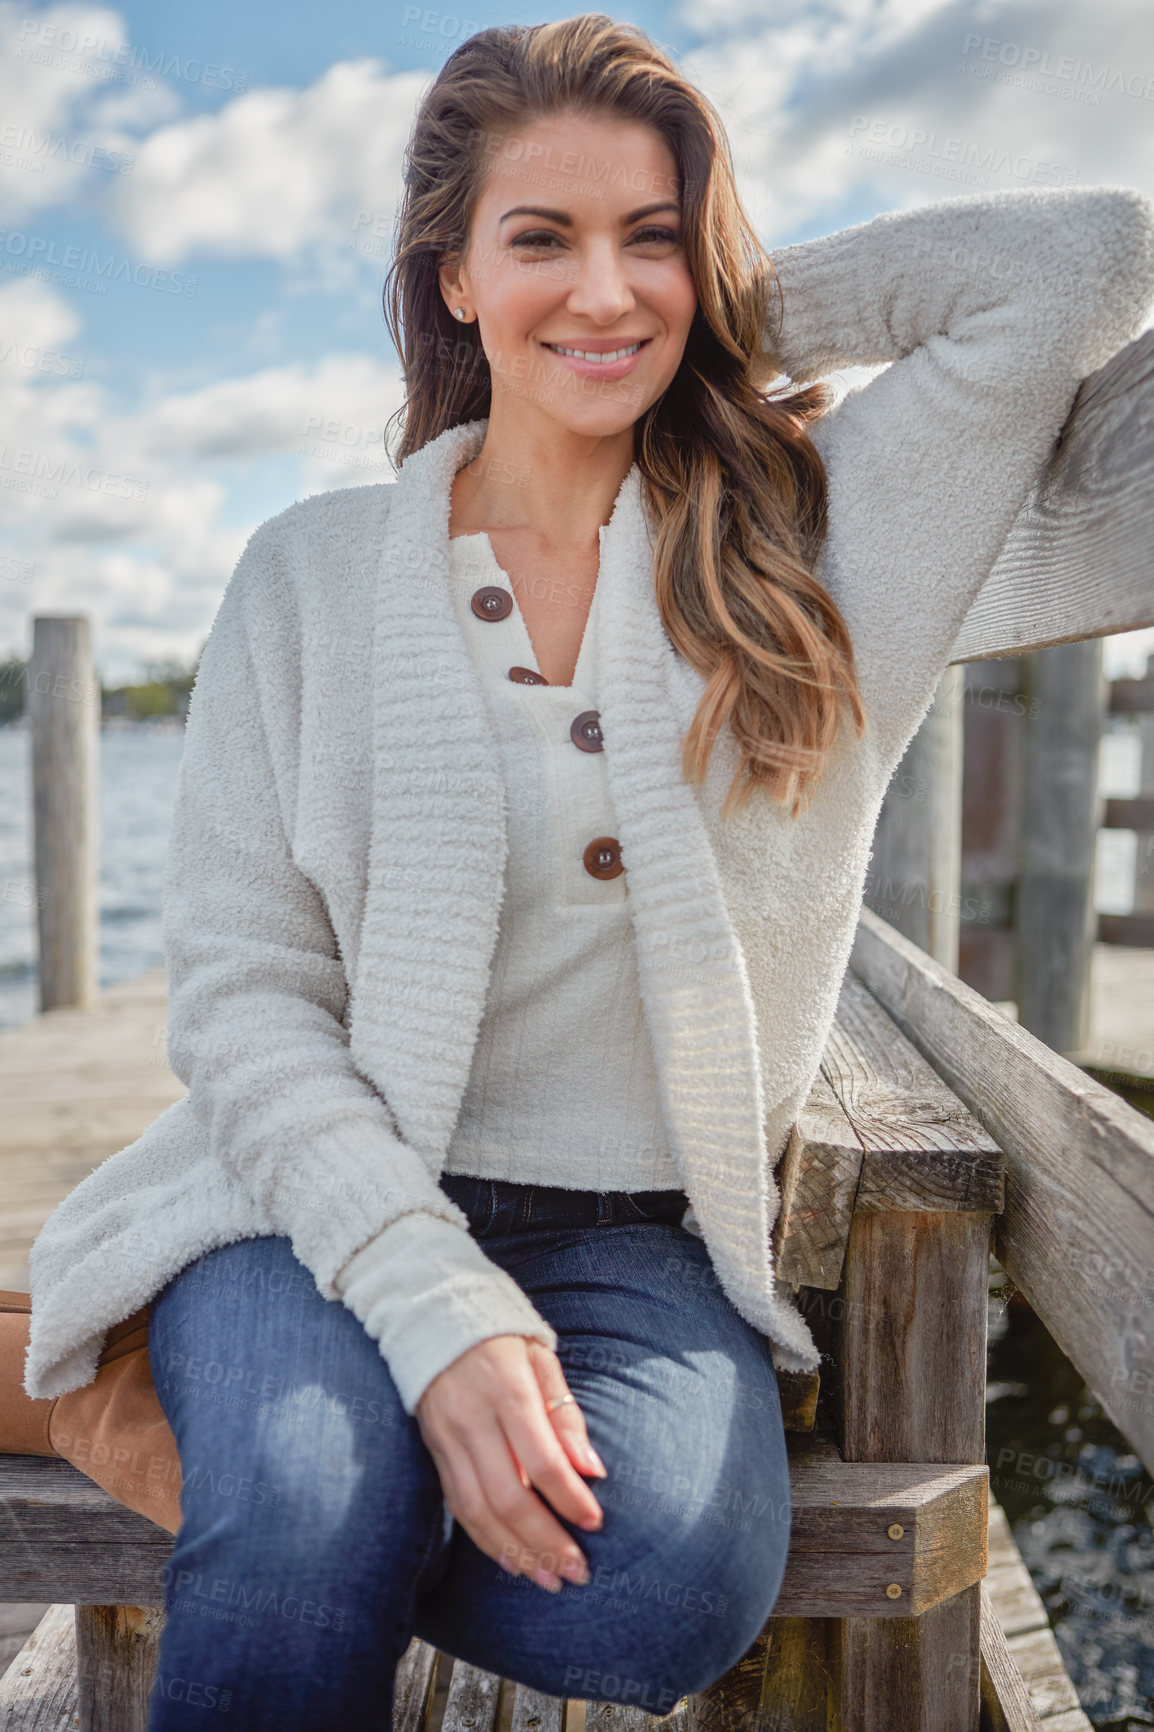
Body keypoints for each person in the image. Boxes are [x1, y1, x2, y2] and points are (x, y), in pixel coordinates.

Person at [20, 13, 1154, 1732]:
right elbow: (247, 995)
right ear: (451, 276)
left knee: (655, 1593)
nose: (600, 290)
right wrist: (432, 1307)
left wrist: (707, 311)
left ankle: (126, 1405)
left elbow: (1080, 263)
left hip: (643, 1241)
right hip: (311, 1205)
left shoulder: (820, 539)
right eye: (539, 240)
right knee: (315, 1502)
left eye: (648, 237)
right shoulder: (309, 574)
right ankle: (166, 1402)